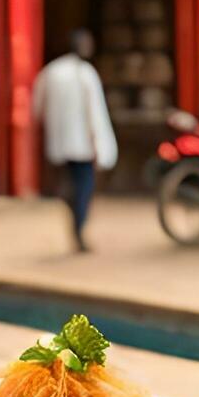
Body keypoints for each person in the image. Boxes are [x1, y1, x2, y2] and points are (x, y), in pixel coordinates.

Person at [32, 29, 117, 252]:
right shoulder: (86, 73)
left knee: (70, 183)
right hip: (83, 145)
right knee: (84, 187)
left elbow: (37, 107)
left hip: (59, 144)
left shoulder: (51, 72)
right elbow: (95, 114)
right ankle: (79, 228)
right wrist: (99, 144)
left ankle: (75, 218)